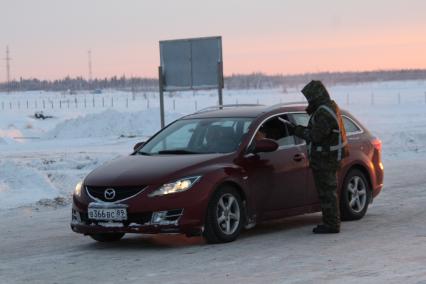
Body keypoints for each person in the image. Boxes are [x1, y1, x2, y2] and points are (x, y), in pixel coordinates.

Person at [286, 80, 349, 234]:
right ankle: (330, 222)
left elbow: (315, 135)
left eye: (310, 98)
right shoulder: (327, 108)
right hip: (327, 158)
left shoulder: (324, 112)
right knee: (327, 192)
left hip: (326, 160)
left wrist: (296, 130)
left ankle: (332, 225)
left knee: (327, 193)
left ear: (317, 95)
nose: (309, 101)